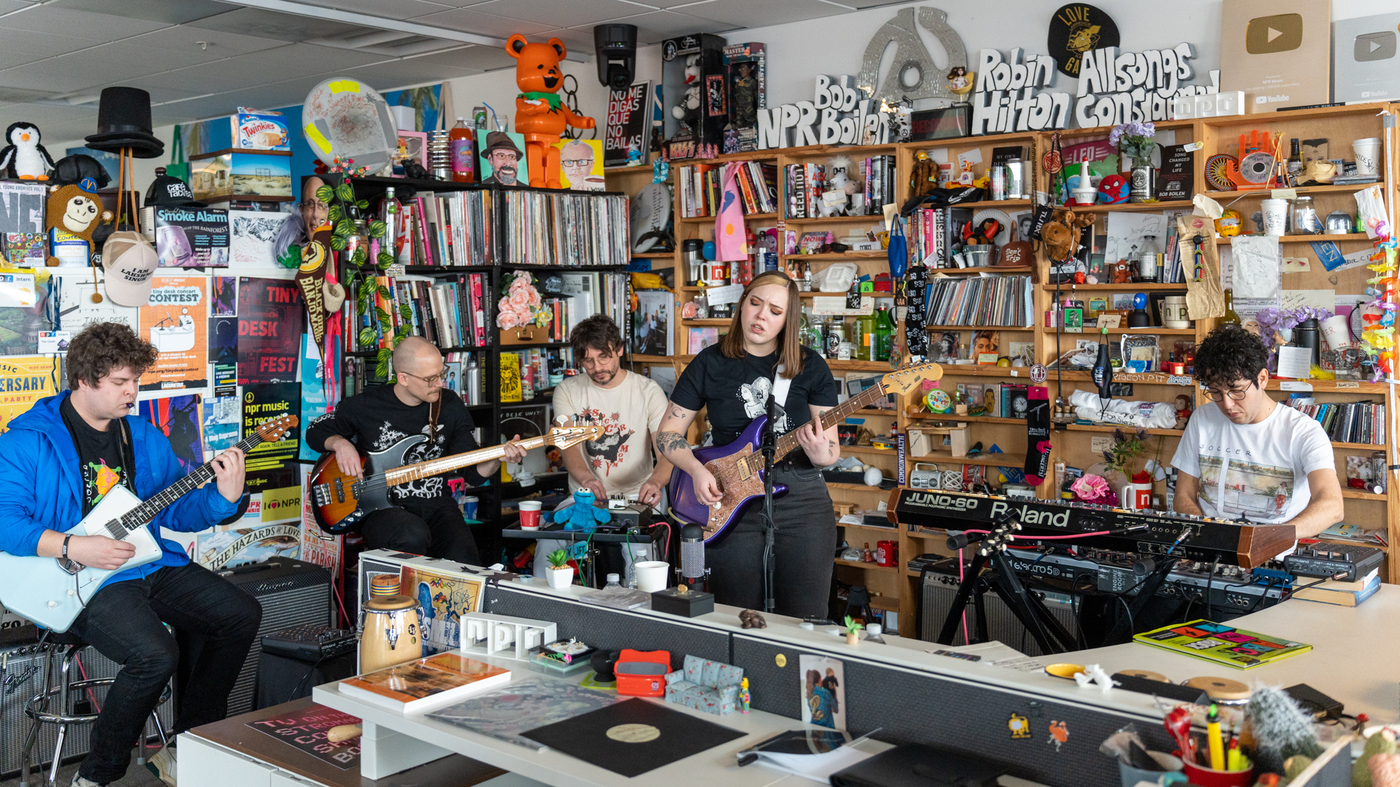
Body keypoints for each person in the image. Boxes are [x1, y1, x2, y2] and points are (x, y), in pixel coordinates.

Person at [0, 322, 260, 787]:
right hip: (77, 579)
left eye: (136, 380)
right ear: (83, 380)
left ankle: (190, 743)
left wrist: (225, 497)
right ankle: (96, 776)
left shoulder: (142, 435)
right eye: (121, 382)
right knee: (155, 655)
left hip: (149, 563)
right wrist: (73, 545)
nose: (133, 392)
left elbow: (177, 511)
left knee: (239, 614)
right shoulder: (26, 441)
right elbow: (5, 521)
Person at [655, 271, 840, 618]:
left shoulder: (809, 365)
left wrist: (820, 454)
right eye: (755, 303)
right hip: (728, 498)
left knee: (808, 618)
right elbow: (667, 435)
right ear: (742, 305)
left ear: (788, 319)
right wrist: (695, 470)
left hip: (802, 501)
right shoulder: (709, 363)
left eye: (775, 311)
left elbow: (830, 450)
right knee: (738, 615)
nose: (761, 316)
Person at [306, 336, 526, 564]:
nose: (440, 383)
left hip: (435, 505)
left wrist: (498, 457)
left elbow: (473, 474)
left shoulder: (449, 406)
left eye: (441, 374)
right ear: (403, 378)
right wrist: (340, 444)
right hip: (377, 509)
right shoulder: (365, 405)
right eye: (430, 379)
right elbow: (314, 431)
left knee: (465, 561)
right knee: (412, 535)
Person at [1172, 325, 1343, 539]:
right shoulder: (1202, 418)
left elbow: (1332, 505)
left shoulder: (1303, 431)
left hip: (1273, 552)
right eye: (1216, 392)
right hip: (1211, 549)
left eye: (1236, 391)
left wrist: (1269, 539)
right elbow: (1183, 495)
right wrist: (1207, 536)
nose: (1227, 404)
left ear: (1262, 379)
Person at [540, 316, 671, 575]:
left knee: (642, 567)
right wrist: (587, 480)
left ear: (619, 349)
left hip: (638, 495)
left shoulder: (648, 390)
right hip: (583, 497)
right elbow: (569, 447)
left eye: (604, 357)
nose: (597, 367)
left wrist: (656, 482)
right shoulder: (567, 390)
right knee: (547, 552)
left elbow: (667, 451)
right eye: (588, 360)